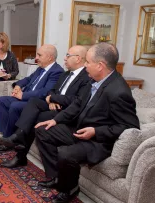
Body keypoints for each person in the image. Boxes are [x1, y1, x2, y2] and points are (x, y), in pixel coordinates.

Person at [34, 43, 139, 203]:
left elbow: (130, 126)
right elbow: (77, 104)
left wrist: (96, 132)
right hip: (80, 130)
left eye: (88, 62)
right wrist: (55, 120)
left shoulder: (119, 91)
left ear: (100, 65)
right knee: (43, 130)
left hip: (97, 141)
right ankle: (58, 179)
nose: (85, 65)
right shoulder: (94, 80)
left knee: (65, 153)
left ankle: (70, 189)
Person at [0, 45, 91, 168]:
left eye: (68, 56)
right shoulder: (66, 74)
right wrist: (51, 98)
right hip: (53, 105)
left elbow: (75, 100)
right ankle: (19, 136)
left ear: (78, 59)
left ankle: (20, 153)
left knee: (35, 118)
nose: (64, 58)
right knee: (33, 102)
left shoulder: (86, 77)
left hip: (65, 110)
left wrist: (53, 98)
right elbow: (51, 90)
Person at [0, 44, 63, 138]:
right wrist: (18, 85)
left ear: (50, 58)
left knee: (15, 106)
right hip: (26, 97)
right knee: (1, 101)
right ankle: (4, 133)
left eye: (39, 55)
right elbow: (28, 79)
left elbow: (45, 91)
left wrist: (23, 95)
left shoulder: (57, 71)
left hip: (36, 101)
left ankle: (10, 138)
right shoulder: (40, 68)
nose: (36, 58)